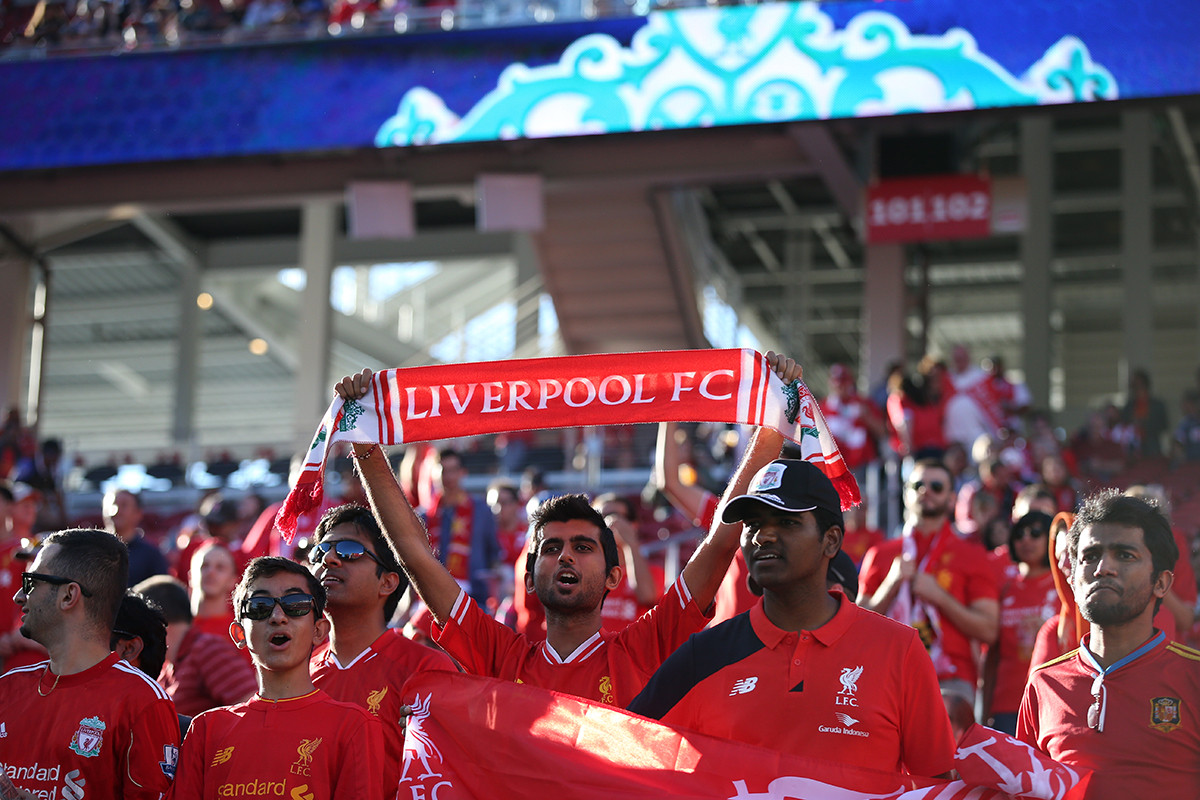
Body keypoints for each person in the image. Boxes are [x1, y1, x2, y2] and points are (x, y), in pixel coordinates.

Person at [335, 352, 802, 706]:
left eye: (583, 546)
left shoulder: (641, 649)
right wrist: (366, 449)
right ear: (528, 576)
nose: (565, 557)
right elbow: (416, 556)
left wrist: (772, 427)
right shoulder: (501, 657)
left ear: (614, 577)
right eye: (552, 547)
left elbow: (722, 540)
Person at [628, 460, 954, 777]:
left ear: (832, 541)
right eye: (753, 524)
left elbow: (936, 782)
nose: (762, 536)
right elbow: (619, 752)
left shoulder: (899, 649)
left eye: (786, 521)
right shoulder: (704, 655)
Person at [1018, 492, 1200, 798]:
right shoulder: (1042, 684)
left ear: (1162, 583)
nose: (1103, 567)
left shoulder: (1193, 677)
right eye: (1089, 556)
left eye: (1125, 555)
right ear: (1073, 580)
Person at [168, 557, 384, 800]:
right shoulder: (205, 729)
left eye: (296, 604)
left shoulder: (353, 727)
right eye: (260, 606)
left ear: (319, 630)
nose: (278, 616)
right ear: (239, 633)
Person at [0, 529, 180, 799]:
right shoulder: (7, 687)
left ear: (69, 596)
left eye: (31, 582)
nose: (19, 596)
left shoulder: (142, 702)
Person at [308, 503, 456, 792]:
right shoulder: (299, 670)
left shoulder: (427, 669)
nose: (329, 559)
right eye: (321, 550)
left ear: (387, 583)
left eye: (349, 550)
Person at [860, 459, 999, 702]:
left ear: (952, 499)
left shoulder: (972, 554)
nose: (926, 491)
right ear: (906, 495)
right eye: (917, 485)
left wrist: (940, 597)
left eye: (936, 486)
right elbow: (857, 627)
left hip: (951, 680)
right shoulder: (879, 554)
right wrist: (891, 584)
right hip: (889, 676)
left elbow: (988, 629)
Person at [980, 512, 1058, 735]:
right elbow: (992, 656)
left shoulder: (1064, 587)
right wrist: (984, 712)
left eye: (1035, 533)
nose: (1026, 540)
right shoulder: (1005, 589)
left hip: (1050, 702)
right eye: (1019, 534)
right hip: (1006, 704)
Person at [136, 574, 257, 718]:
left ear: (157, 624)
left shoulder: (209, 650)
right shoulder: (169, 666)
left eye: (137, 628)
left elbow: (251, 711)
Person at [423, 448, 500, 609]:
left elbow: (492, 551)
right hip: (431, 598)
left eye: (454, 470)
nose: (448, 477)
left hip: (474, 597)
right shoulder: (424, 516)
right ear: (434, 474)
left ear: (463, 472)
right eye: (443, 471)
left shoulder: (481, 511)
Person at [105, 488, 169, 587]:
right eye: (112, 505)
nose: (116, 510)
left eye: (124, 505)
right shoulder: (91, 551)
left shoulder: (151, 555)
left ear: (138, 514)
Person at [187, 541, 242, 641]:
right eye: (204, 566)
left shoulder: (240, 632)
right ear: (190, 576)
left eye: (220, 568)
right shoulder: (174, 625)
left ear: (233, 581)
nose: (211, 572)